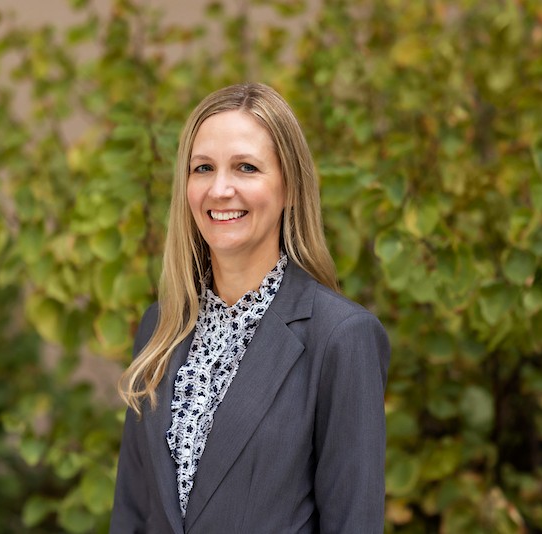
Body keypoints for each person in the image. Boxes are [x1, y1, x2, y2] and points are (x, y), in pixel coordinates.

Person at [110, 83, 390, 533]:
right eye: (203, 168)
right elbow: (131, 515)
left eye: (246, 167)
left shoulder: (341, 337)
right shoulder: (160, 327)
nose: (220, 189)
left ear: (290, 188)